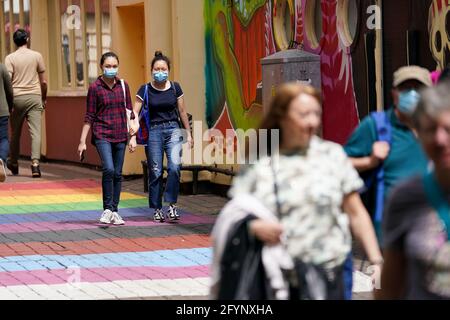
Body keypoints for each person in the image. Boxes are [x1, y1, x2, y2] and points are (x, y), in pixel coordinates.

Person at [212, 82, 383, 300]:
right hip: (282, 276)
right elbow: (235, 214)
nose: (312, 122)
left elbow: (356, 212)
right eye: (303, 114)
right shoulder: (261, 164)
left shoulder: (333, 155)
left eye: (316, 114)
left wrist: (376, 260)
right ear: (282, 117)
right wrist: (254, 227)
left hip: (332, 272)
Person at [377, 81, 450, 300]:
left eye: (448, 129)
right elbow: (391, 287)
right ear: (417, 134)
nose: (439, 139)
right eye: (430, 130)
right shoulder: (405, 198)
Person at [344, 66, 431, 241]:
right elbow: (338, 164)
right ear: (394, 94)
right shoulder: (376, 126)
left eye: (419, 88)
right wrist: (370, 161)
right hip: (392, 232)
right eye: (406, 89)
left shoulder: (438, 127)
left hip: (433, 227)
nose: (413, 94)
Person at [129, 51, 193, 223]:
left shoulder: (175, 87)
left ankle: (171, 204)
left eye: (163, 69)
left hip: (173, 129)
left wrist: (188, 133)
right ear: (151, 70)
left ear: (168, 70)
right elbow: (135, 114)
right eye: (157, 69)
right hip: (154, 132)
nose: (160, 72)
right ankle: (157, 208)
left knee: (174, 168)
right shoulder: (145, 89)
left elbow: (182, 112)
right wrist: (132, 136)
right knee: (155, 171)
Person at [78, 52, 133, 226]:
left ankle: (115, 211)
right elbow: (89, 115)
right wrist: (82, 141)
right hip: (102, 134)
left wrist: (133, 137)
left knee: (118, 173)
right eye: (108, 66)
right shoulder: (95, 88)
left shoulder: (123, 86)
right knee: (108, 169)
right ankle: (107, 208)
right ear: (101, 67)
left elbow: (131, 113)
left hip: (120, 135)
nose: (111, 69)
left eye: (114, 66)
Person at [5, 29, 47, 178]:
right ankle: (35, 164)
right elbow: (43, 82)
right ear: (27, 39)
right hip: (35, 97)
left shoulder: (10, 58)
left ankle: (14, 163)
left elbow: (8, 82)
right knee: (36, 133)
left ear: (14, 42)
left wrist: (9, 102)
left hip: (16, 98)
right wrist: (43, 98)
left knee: (15, 132)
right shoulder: (37, 56)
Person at [0, 63, 13, 182]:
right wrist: (10, 106)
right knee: (3, 138)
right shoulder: (2, 67)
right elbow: (9, 89)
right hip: (2, 110)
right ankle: (1, 159)